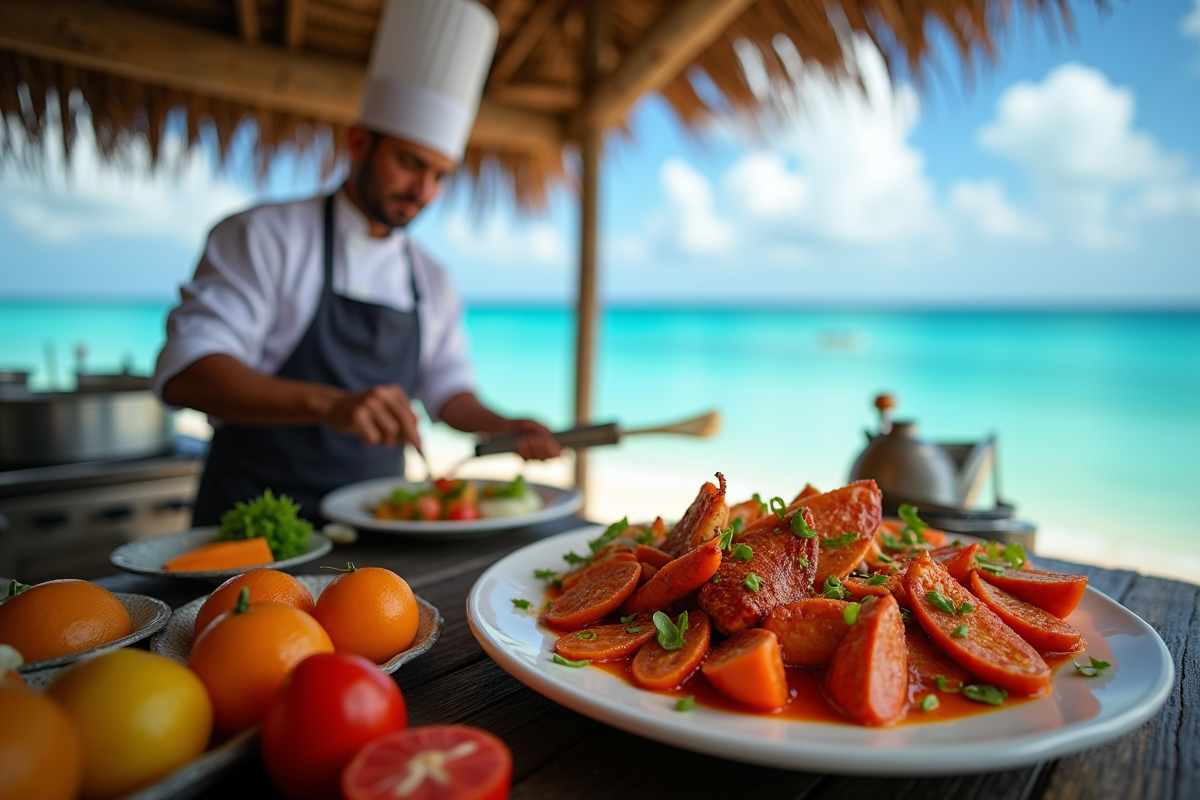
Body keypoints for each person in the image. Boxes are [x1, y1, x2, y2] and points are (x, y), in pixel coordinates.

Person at [152, 0, 560, 526]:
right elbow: (189, 372)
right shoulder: (262, 235)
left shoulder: (430, 278)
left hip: (379, 527)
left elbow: (445, 390)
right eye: (410, 163)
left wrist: (503, 423)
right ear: (358, 142)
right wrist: (331, 404)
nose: (423, 191)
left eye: (439, 175)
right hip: (252, 526)